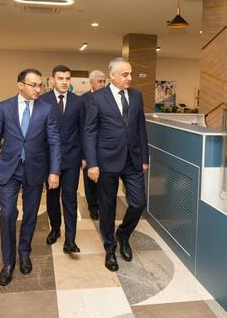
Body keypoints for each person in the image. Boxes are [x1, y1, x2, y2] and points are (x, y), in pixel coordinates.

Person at [0, 69, 61, 286]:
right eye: (33, 85)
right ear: (20, 85)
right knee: (7, 214)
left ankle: (24, 252)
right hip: (10, 168)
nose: (38, 89)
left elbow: (54, 141)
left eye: (40, 85)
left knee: (30, 214)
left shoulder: (47, 109)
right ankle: (8, 262)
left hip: (35, 169)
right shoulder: (4, 107)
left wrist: (54, 171)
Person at [83, 57, 149, 272]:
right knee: (107, 207)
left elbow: (140, 128)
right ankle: (110, 249)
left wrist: (144, 158)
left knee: (138, 203)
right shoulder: (97, 98)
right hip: (106, 161)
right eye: (125, 74)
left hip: (132, 160)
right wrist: (92, 163)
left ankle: (123, 234)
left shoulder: (136, 96)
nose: (130, 78)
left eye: (130, 74)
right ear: (112, 76)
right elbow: (89, 131)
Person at [40, 65, 85, 253]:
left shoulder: (78, 101)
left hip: (72, 158)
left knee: (70, 198)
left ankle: (70, 239)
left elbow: (83, 130)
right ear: (52, 80)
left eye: (67, 78)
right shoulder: (43, 100)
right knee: (52, 197)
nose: (65, 82)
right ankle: (55, 228)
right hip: (50, 159)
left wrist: (84, 156)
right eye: (60, 78)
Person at [81, 70, 107, 220]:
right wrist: (83, 155)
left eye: (104, 81)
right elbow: (81, 127)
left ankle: (104, 206)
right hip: (88, 146)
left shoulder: (109, 98)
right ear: (92, 83)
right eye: (100, 81)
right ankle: (93, 207)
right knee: (90, 180)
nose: (103, 84)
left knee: (105, 179)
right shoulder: (83, 100)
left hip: (105, 147)